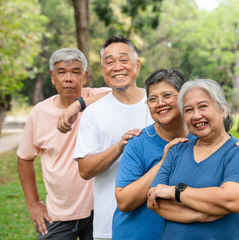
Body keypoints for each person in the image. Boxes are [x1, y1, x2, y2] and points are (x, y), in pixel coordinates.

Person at [113, 70, 239, 239]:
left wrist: (175, 192)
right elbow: (155, 202)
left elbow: (232, 200)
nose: (196, 115)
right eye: (189, 110)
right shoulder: (175, 150)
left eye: (203, 106)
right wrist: (201, 215)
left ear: (223, 110)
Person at [17, 48, 111, 239]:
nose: (69, 78)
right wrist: (33, 203)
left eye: (75, 72)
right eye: (62, 72)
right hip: (59, 213)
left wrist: (78, 104)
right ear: (53, 77)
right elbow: (24, 158)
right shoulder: (39, 113)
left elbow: (125, 92)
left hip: (99, 209)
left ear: (84, 77)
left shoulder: (99, 100)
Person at [72, 35, 153, 240]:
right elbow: (85, 170)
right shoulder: (94, 112)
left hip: (160, 220)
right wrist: (120, 146)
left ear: (137, 65)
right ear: (103, 70)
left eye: (124, 60)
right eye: (109, 62)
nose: (117, 67)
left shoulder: (158, 105)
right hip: (110, 226)